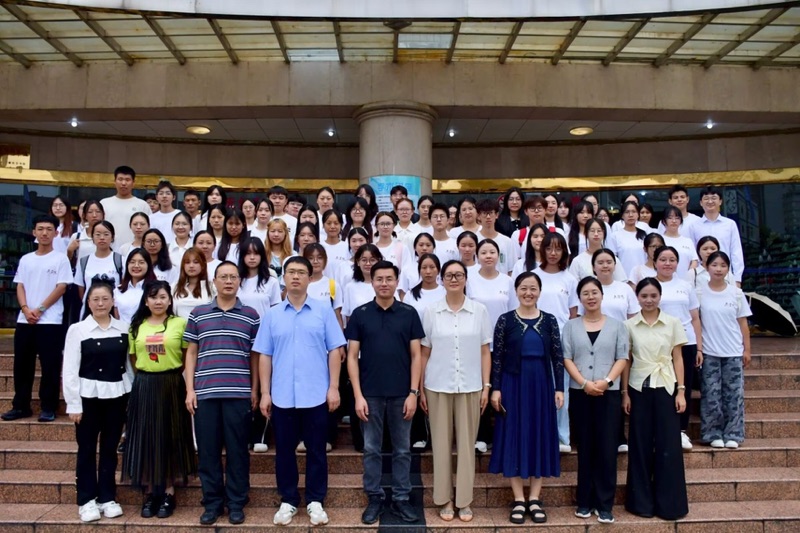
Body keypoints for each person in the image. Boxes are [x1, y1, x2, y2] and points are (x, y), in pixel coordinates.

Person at [254, 256, 345, 526]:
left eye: (301, 272)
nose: (295, 276)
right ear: (283, 277)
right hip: (282, 395)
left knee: (317, 450)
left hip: (316, 394)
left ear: (309, 277)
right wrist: (265, 392)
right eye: (291, 272)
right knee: (284, 450)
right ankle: (289, 499)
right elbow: (265, 355)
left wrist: (334, 387)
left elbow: (335, 350)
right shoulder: (272, 315)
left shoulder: (323, 310)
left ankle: (316, 500)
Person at [346, 261, 424, 525]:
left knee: (402, 449)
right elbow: (352, 357)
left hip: (402, 394)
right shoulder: (360, 314)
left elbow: (416, 356)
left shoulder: (409, 313)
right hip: (370, 394)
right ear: (372, 281)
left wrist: (414, 392)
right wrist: (357, 395)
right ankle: (375, 497)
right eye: (379, 279)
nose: (384, 283)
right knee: (371, 448)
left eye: (389, 279)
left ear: (396, 281)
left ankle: (401, 498)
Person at [184, 262, 261, 526]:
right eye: (223, 277)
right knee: (208, 452)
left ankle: (237, 502)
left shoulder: (250, 315)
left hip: (238, 393)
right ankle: (213, 503)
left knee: (238, 452)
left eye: (233, 277)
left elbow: (255, 356)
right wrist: (190, 390)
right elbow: (191, 353)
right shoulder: (198, 313)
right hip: (205, 393)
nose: (228, 281)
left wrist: (255, 390)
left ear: (239, 281)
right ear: (214, 281)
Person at [489, 271, 564, 524]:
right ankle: (519, 498)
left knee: (539, 434)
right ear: (516, 291)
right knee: (514, 434)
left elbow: (557, 356)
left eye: (533, 288)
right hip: (513, 383)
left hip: (541, 383)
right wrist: (496, 388)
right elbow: (497, 357)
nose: (528, 293)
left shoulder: (549, 320)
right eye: (523, 288)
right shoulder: (505, 320)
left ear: (539, 292)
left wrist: (559, 388)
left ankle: (534, 497)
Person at [420, 260, 492, 523]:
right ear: (441, 279)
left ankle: (464, 500)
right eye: (449, 275)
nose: (454, 279)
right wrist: (420, 389)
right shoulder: (431, 311)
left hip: (470, 385)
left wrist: (486, 386)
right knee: (440, 446)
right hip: (437, 385)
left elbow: (485, 352)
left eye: (459, 275)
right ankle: (444, 499)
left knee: (466, 446)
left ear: (465, 279)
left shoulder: (479, 311)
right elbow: (424, 352)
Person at [122, 280, 196, 520]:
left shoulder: (179, 324)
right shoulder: (136, 326)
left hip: (171, 384)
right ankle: (150, 492)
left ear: (170, 300)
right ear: (146, 301)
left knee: (169, 436)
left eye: (163, 297)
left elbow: (185, 355)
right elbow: (134, 358)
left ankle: (168, 492)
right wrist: (148, 375)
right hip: (145, 385)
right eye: (153, 297)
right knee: (147, 436)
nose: (158, 301)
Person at [63, 278, 133, 522]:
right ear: (88, 302)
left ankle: (107, 497)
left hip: (116, 396)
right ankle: (86, 500)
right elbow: (70, 369)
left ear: (113, 301)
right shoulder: (77, 330)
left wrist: (131, 394)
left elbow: (128, 366)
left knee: (110, 449)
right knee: (86, 449)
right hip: (88, 397)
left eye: (105, 299)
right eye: (95, 299)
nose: (100, 303)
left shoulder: (124, 328)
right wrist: (73, 404)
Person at [562, 277, 629, 524]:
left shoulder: (617, 326)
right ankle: (584, 501)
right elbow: (566, 358)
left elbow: (622, 357)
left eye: (594, 292)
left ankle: (605, 504)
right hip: (581, 392)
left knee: (607, 448)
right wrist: (584, 383)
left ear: (602, 295)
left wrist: (607, 381)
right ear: (579, 298)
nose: (590, 297)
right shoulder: (571, 326)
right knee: (586, 447)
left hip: (608, 394)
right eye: (585, 293)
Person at [622, 278, 689, 520]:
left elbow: (678, 357)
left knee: (668, 445)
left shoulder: (672, 322)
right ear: (637, 298)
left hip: (666, 386)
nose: (649, 300)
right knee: (639, 445)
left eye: (653, 296)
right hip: (639, 387)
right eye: (644, 296)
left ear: (660, 296)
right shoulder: (629, 325)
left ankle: (670, 505)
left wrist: (681, 391)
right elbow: (627, 360)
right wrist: (625, 393)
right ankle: (640, 503)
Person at [2, 215, 72, 422]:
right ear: (34, 232)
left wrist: (40, 309)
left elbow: (61, 287)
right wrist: (25, 309)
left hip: (50, 321)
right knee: (22, 366)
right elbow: (20, 285)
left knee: (50, 366)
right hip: (25, 321)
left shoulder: (60, 259)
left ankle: (48, 407)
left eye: (49, 229)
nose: (44, 233)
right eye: (40, 229)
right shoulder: (26, 259)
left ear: (55, 233)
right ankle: (20, 406)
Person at [467, 239, 518, 452]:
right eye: (484, 252)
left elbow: (514, 311)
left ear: (498, 256)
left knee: (502, 388)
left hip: (503, 343)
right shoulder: (470, 280)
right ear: (477, 256)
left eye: (492, 252)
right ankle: (482, 436)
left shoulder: (507, 281)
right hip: (477, 343)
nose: (488, 256)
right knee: (481, 388)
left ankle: (505, 435)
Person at [699, 251, 752, 449]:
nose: (718, 269)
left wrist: (747, 350)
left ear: (728, 269)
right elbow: (696, 321)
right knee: (711, 394)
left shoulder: (736, 293)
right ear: (707, 267)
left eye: (723, 265)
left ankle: (733, 434)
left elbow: (743, 323)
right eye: (714, 265)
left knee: (734, 394)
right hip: (709, 351)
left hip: (733, 351)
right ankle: (712, 433)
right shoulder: (699, 293)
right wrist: (699, 349)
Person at [653, 246, 702, 450]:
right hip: (658, 343)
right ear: (655, 261)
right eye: (663, 259)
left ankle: (681, 430)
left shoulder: (685, 286)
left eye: (672, 259)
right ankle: (661, 430)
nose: (667, 263)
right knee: (660, 388)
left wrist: (699, 348)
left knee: (684, 387)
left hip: (685, 342)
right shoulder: (650, 285)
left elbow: (695, 318)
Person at [533, 232, 578, 453]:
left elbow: (573, 313)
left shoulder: (569, 279)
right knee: (538, 387)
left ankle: (562, 436)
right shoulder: (533, 276)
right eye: (549, 248)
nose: (553, 253)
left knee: (561, 388)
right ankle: (539, 434)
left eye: (558, 249)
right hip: (534, 337)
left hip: (561, 339)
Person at [402, 253, 444, 450]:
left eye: (432, 267)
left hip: (440, 347)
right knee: (417, 388)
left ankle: (439, 434)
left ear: (438, 270)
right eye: (424, 268)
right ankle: (419, 434)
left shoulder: (445, 291)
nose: (428, 271)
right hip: (416, 347)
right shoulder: (411, 294)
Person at [688, 185, 745, 286]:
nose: (710, 201)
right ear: (701, 202)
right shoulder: (694, 226)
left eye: (714, 198)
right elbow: (693, 254)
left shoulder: (730, 224)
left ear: (720, 201)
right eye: (706, 198)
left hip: (725, 276)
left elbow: (736, 252)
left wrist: (737, 279)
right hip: (701, 277)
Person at [74, 221, 124, 318]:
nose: (102, 238)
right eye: (97, 234)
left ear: (112, 237)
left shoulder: (121, 260)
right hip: (89, 313)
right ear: (92, 238)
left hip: (114, 312)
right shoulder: (84, 262)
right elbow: (81, 290)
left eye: (106, 234)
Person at [100, 165, 150, 249]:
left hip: (135, 250)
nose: (123, 183)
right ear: (114, 181)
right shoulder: (104, 203)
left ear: (133, 183)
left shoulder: (142, 205)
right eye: (120, 179)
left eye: (127, 180)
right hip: (109, 250)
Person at [237, 237, 281, 320]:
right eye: (248, 253)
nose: (252, 257)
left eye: (256, 253)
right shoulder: (235, 281)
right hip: (239, 326)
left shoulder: (271, 281)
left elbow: (276, 310)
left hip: (264, 326)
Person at [304, 244, 344, 328]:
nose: (315, 261)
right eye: (311, 258)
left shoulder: (332, 285)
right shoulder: (300, 284)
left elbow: (337, 317)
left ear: (325, 260)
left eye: (319, 258)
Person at [341, 244, 383, 322]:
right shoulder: (350, 287)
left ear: (379, 261)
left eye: (372, 260)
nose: (368, 263)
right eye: (364, 260)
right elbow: (348, 316)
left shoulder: (385, 285)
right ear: (358, 262)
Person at [607, 201, 648, 278]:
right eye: (627, 212)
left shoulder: (645, 235)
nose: (630, 215)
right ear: (622, 215)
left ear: (638, 214)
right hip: (623, 277)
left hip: (644, 277)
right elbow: (612, 259)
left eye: (634, 212)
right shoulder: (615, 236)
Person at [114, 249, 155, 324]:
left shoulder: (155, 289)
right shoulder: (118, 290)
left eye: (141, 262)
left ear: (148, 265)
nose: (136, 266)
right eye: (132, 262)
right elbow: (117, 317)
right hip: (123, 330)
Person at [172, 248, 215, 319]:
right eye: (187, 262)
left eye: (196, 262)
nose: (191, 266)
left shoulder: (212, 287)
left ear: (203, 265)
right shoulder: (174, 287)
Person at [476, 198, 516, 275]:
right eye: (484, 213)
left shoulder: (507, 241)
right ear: (478, 216)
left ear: (497, 215)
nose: (488, 217)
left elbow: (511, 270)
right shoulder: (474, 240)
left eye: (491, 213)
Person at [661, 206, 699, 275]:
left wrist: (689, 276)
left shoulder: (688, 241)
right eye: (670, 218)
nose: (674, 221)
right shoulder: (659, 240)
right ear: (664, 221)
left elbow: (694, 260)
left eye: (677, 218)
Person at [398, 232, 436, 298]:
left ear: (433, 247)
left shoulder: (439, 268)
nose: (424, 248)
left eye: (428, 245)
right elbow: (403, 293)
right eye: (421, 245)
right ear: (415, 248)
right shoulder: (407, 269)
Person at [266, 218, 295, 290]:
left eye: (280, 231)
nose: (276, 234)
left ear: (285, 233)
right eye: (273, 231)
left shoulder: (293, 255)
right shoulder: (262, 253)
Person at [320, 209, 349, 276]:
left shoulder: (347, 247)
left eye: (336, 223)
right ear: (323, 225)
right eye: (329, 223)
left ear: (341, 225)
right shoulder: (319, 247)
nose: (332, 227)